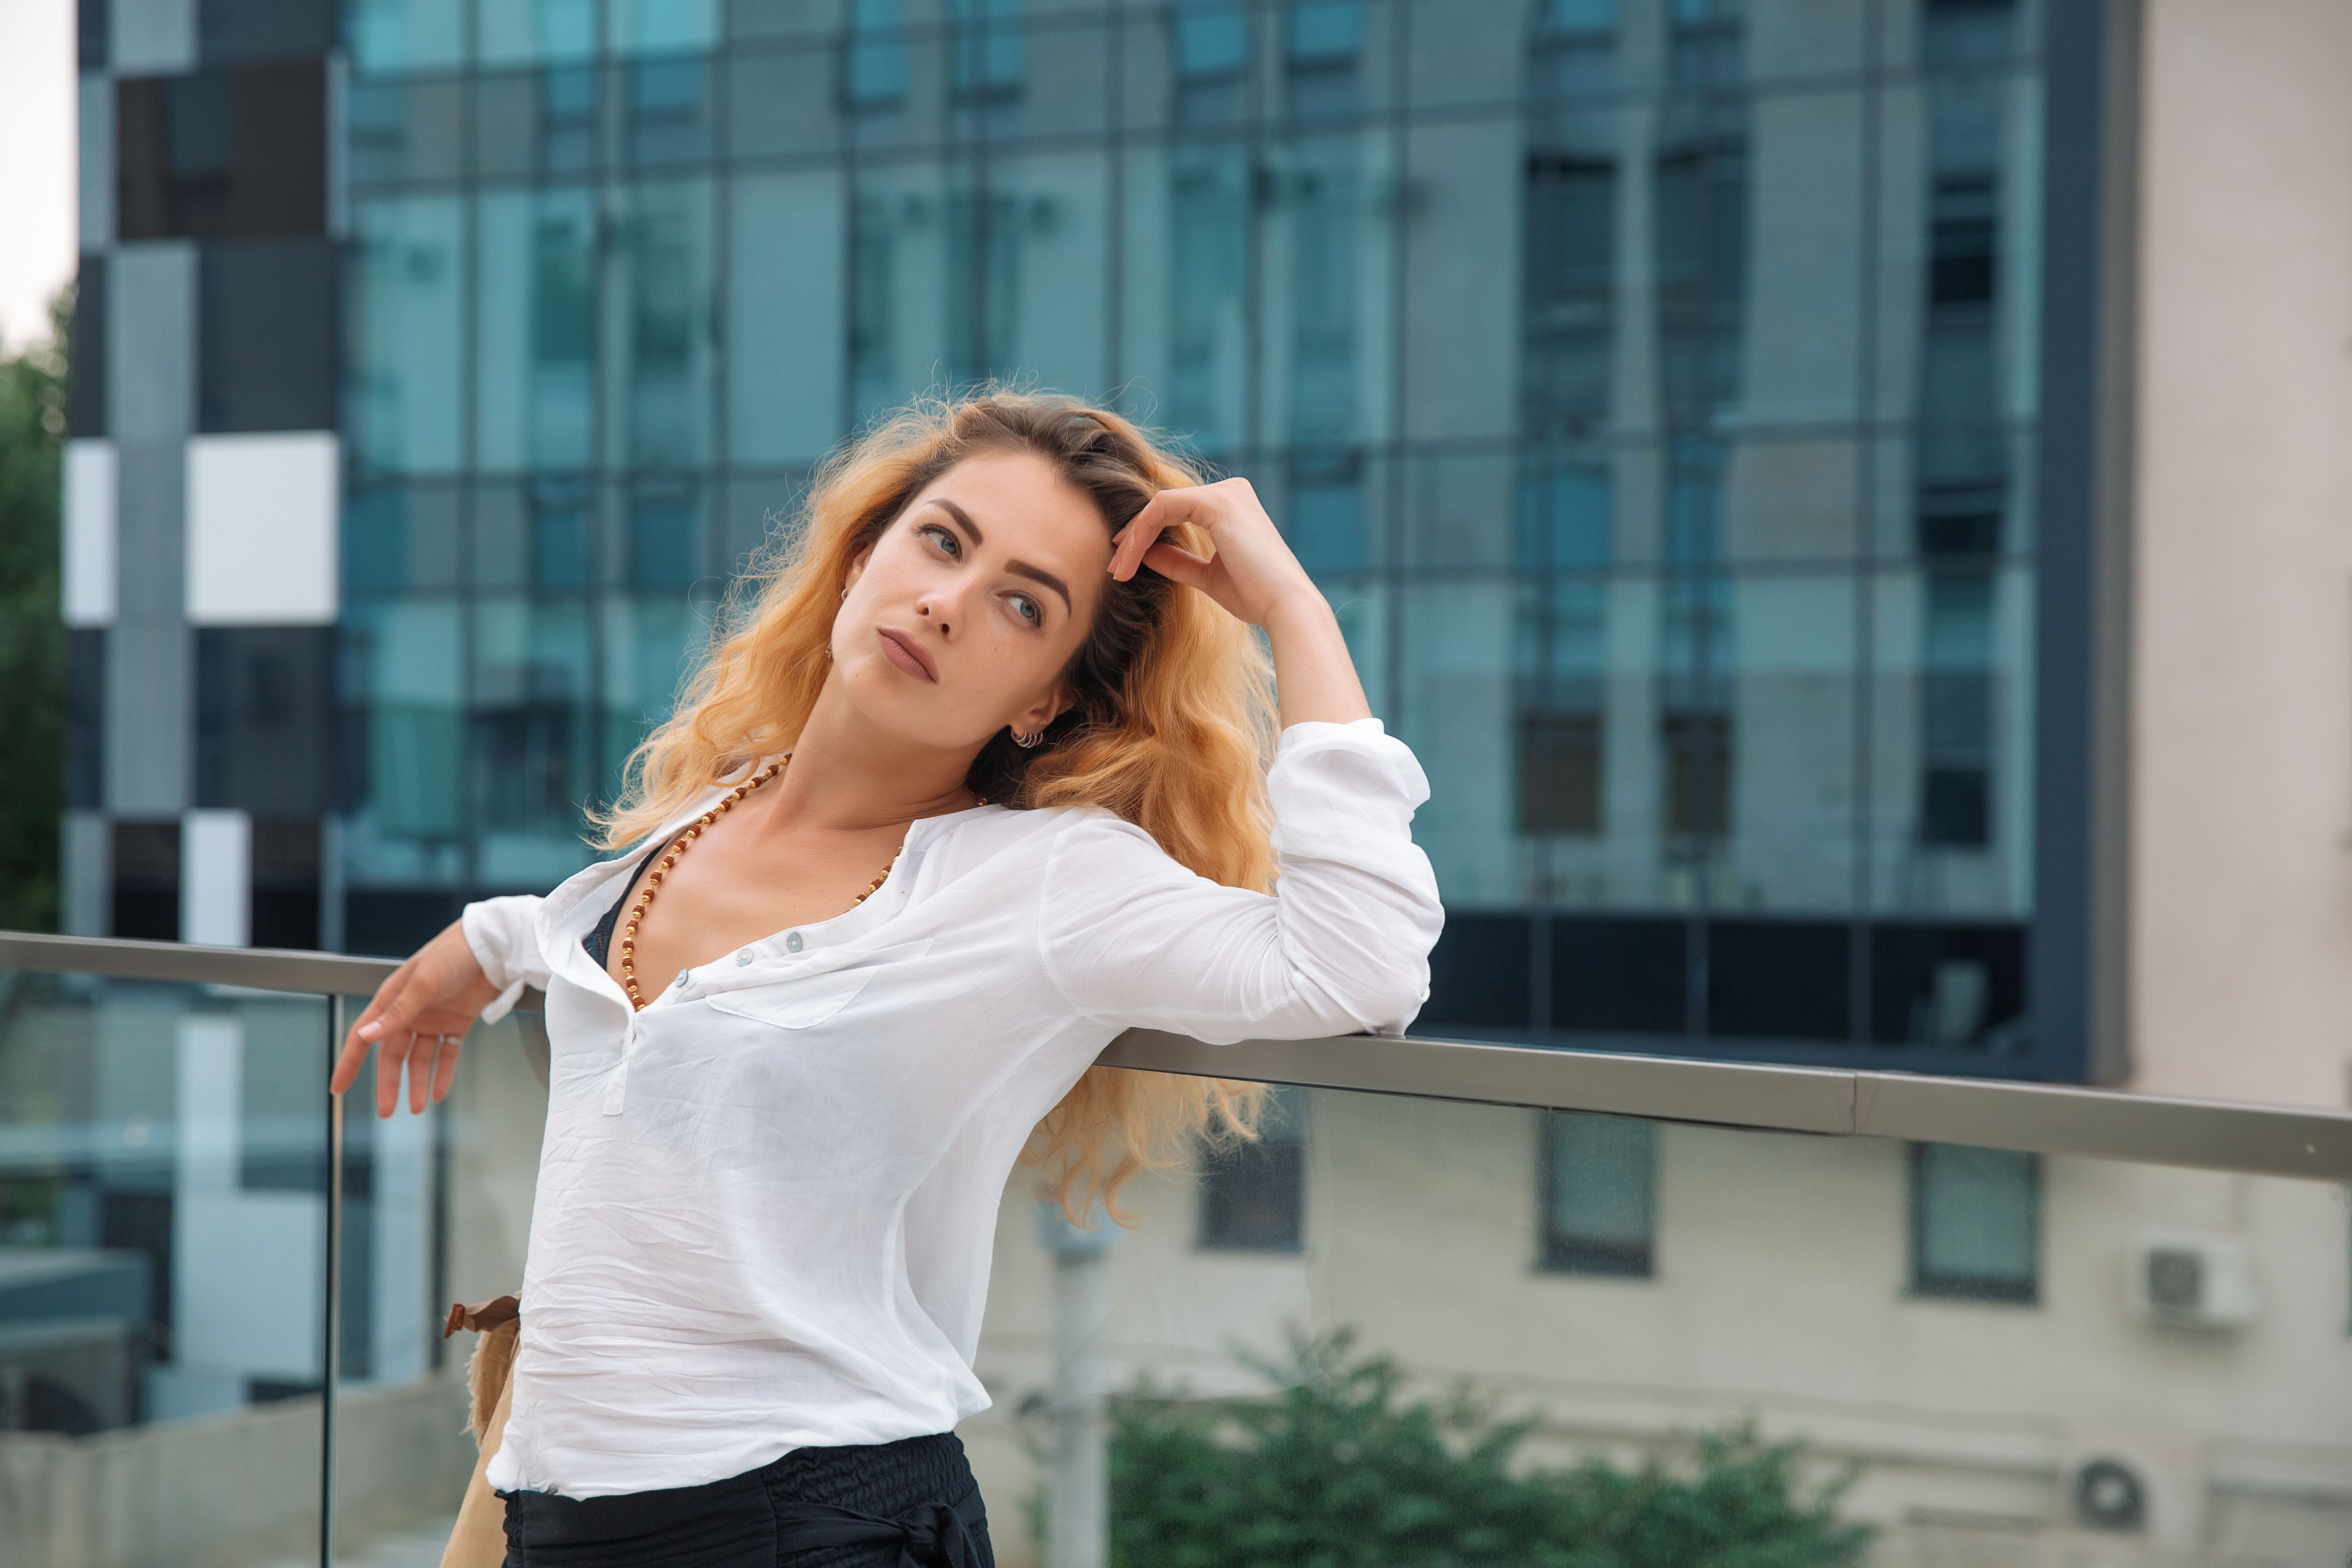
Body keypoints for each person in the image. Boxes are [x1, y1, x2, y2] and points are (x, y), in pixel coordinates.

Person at [330, 391, 1445, 1567]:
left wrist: (1292, 608)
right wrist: (487, 944)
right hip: (562, 1511)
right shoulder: (718, 807)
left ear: (1044, 699)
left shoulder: (1043, 883)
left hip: (816, 1525)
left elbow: (1360, 966)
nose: (950, 604)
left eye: (1024, 604)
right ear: (866, 556)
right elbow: (604, 928)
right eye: (942, 541)